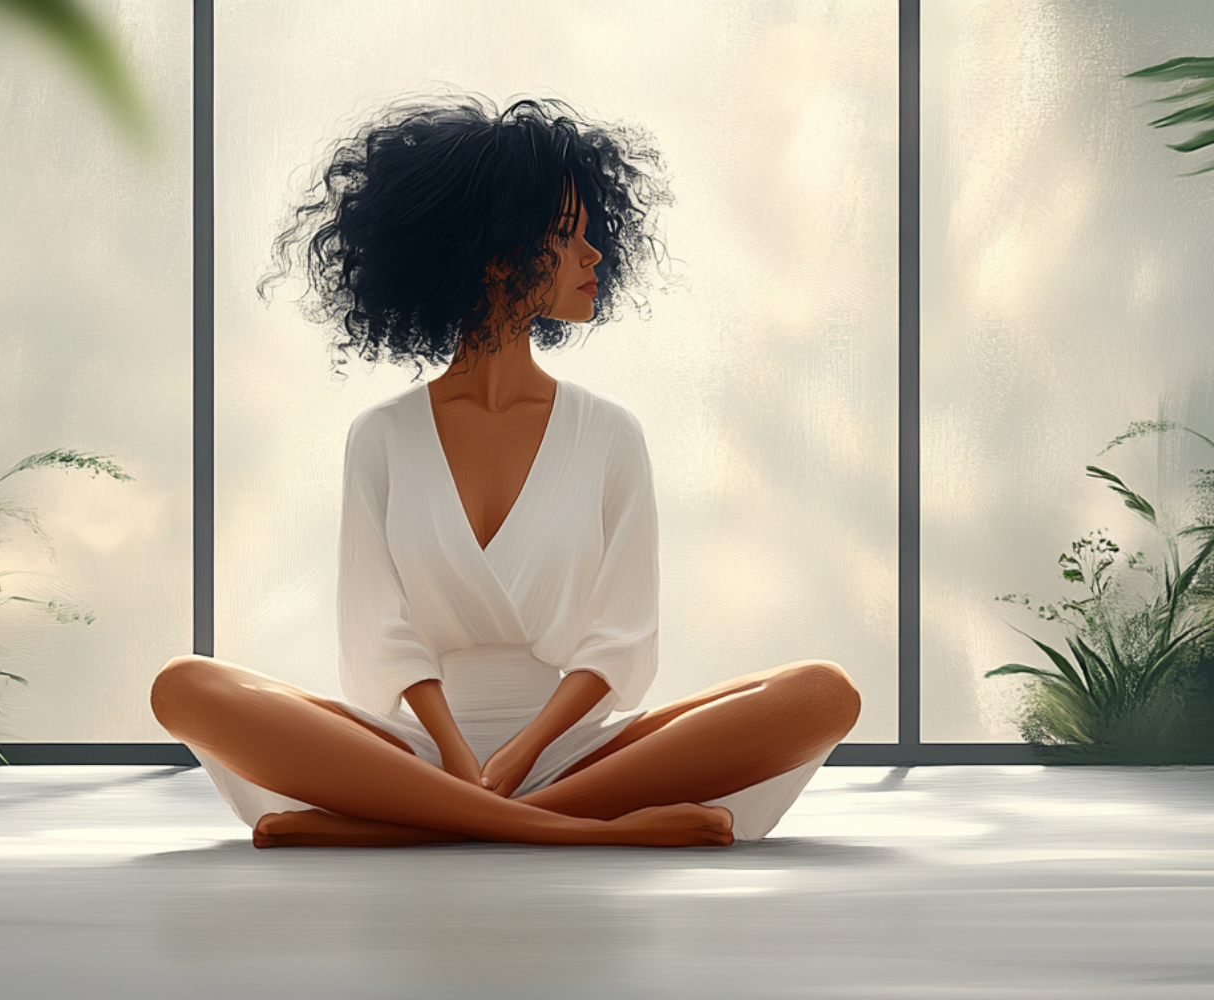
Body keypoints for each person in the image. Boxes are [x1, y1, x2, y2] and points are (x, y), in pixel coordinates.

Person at [151, 95, 859, 848]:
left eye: (594, 236)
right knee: (185, 687)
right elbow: (379, 636)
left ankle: (405, 827)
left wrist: (525, 753)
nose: (595, 257)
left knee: (823, 693)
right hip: (416, 751)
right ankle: (577, 832)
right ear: (493, 251)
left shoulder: (610, 433)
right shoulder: (382, 437)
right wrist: (454, 754)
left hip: (579, 753)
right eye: (566, 235)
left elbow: (620, 640)